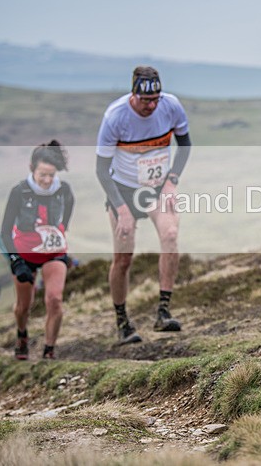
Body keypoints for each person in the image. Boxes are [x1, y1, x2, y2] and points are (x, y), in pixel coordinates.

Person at [96, 66, 191, 345]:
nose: (151, 106)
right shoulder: (115, 117)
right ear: (133, 94)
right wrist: (121, 210)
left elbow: (185, 145)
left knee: (171, 236)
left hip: (158, 187)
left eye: (155, 100)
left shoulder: (170, 106)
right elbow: (101, 170)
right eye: (145, 100)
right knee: (123, 257)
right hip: (122, 191)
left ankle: (163, 312)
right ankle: (122, 322)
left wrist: (172, 180)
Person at [0, 141, 74, 360]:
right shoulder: (19, 191)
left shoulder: (64, 190)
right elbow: (5, 231)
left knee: (55, 300)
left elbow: (68, 210)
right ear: (32, 168)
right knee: (24, 305)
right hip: (24, 253)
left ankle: (49, 352)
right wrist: (15, 260)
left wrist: (60, 232)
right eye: (43, 174)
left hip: (53, 252)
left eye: (52, 175)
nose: (48, 180)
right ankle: (22, 335)